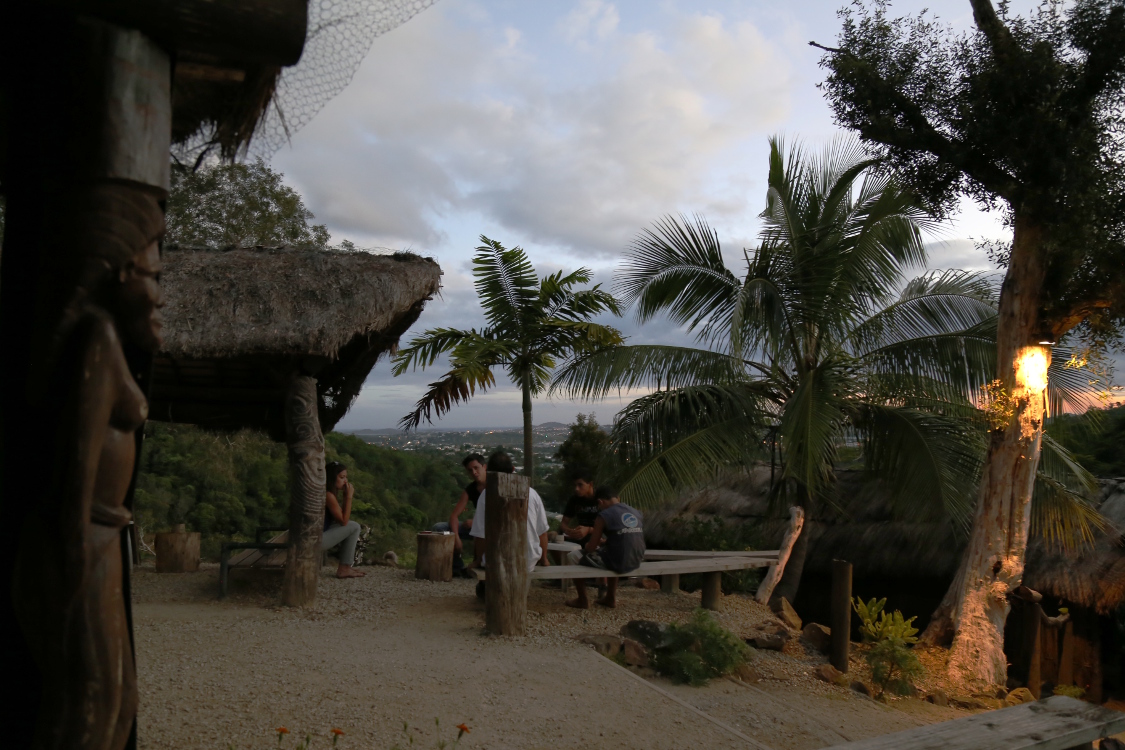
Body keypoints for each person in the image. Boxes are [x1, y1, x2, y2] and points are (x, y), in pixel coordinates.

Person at [469, 451, 550, 575]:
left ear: (489, 473)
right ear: (512, 469)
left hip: (496, 561)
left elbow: (480, 535)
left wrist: (478, 559)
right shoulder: (532, 493)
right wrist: (544, 559)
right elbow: (542, 532)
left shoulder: (486, 495)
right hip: (527, 561)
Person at [566, 486, 645, 609]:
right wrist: (606, 542)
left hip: (619, 561)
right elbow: (627, 536)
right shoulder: (635, 511)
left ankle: (582, 600)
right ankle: (610, 597)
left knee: (573, 556)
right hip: (637, 559)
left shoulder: (603, 515)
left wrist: (587, 545)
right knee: (612, 551)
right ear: (617, 498)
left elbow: (591, 548)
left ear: (600, 502)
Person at [431, 453, 486, 577]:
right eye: (470, 470)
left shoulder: (495, 485)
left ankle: (481, 565)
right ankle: (457, 567)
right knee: (440, 528)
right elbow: (454, 516)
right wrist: (456, 537)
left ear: (484, 467)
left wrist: (477, 523)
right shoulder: (470, 489)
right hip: (477, 528)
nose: (474, 472)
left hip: (492, 528)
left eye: (476, 468)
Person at [323, 461, 366, 579]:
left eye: (346, 477)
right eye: (342, 477)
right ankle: (344, 568)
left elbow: (340, 519)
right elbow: (343, 521)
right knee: (354, 527)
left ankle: (346, 566)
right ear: (332, 478)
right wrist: (348, 497)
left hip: (317, 535)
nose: (345, 481)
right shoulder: (328, 495)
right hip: (315, 540)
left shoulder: (329, 493)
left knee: (353, 525)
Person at [560, 469, 599, 547]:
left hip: (598, 535)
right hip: (580, 536)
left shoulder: (600, 498)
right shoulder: (574, 500)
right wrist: (569, 531)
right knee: (555, 540)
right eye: (575, 485)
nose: (576, 489)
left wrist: (588, 530)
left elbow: (609, 527)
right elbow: (564, 523)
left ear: (590, 484)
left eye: (580, 485)